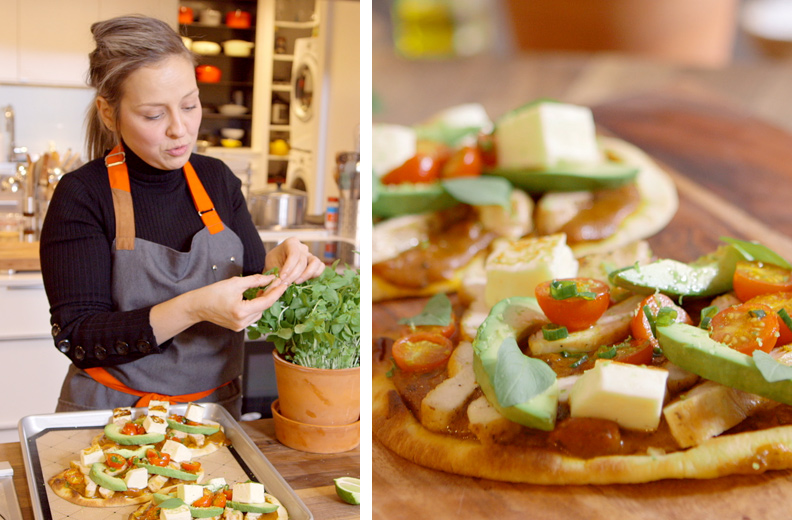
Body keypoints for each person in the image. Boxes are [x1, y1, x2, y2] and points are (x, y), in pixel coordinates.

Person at [39, 15, 325, 419]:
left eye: (190, 105)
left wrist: (278, 268)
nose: (181, 129)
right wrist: (193, 307)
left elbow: (249, 282)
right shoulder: (83, 195)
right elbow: (78, 337)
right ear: (108, 113)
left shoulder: (217, 179)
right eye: (154, 115)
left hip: (215, 415)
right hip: (110, 417)